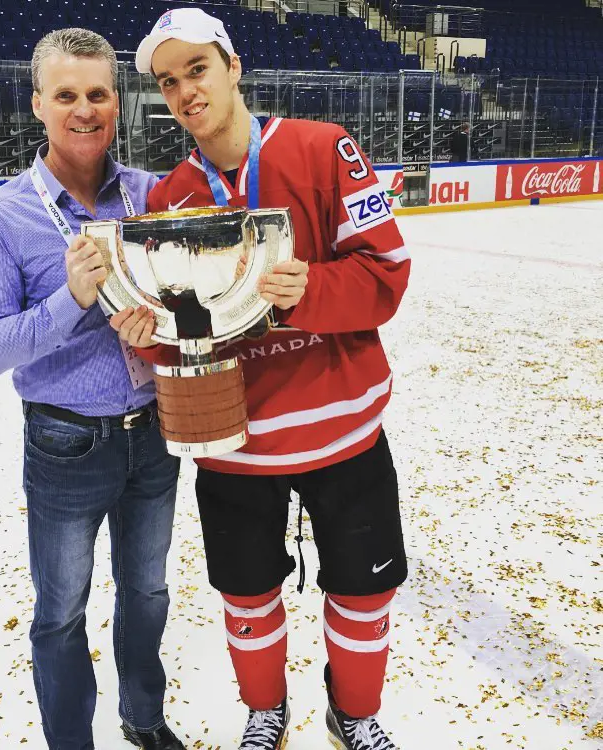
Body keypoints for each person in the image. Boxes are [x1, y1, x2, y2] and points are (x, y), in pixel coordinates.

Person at [113, 8, 412, 750]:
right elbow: (186, 344)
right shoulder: (168, 198)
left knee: (365, 589)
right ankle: (264, 711)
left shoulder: (326, 148)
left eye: (198, 70)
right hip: (234, 445)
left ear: (234, 66)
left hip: (345, 431)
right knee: (245, 594)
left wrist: (306, 289)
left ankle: (356, 712)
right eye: (168, 81)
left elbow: (387, 276)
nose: (185, 91)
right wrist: (148, 341)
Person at [0, 28, 184, 750]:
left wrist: (166, 320)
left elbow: (192, 296)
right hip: (65, 442)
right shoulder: (4, 217)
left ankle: (144, 718)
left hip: (154, 434)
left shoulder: (150, 196)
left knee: (148, 593)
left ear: (116, 103)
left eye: (97, 94)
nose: (83, 109)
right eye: (66, 95)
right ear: (38, 105)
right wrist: (69, 299)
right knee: (61, 611)